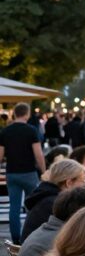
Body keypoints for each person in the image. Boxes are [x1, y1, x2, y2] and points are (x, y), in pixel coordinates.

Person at [0, 102, 46, 244]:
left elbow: (0, 155)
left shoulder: (5, 131)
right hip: (29, 173)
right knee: (32, 206)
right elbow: (38, 154)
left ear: (14, 113)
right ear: (26, 114)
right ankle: (29, 236)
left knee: (14, 207)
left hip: (12, 173)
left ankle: (15, 239)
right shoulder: (31, 130)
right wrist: (44, 171)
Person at [21, 158, 85, 241]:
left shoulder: (46, 196)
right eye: (83, 180)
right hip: (43, 252)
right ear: (69, 183)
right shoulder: (57, 203)